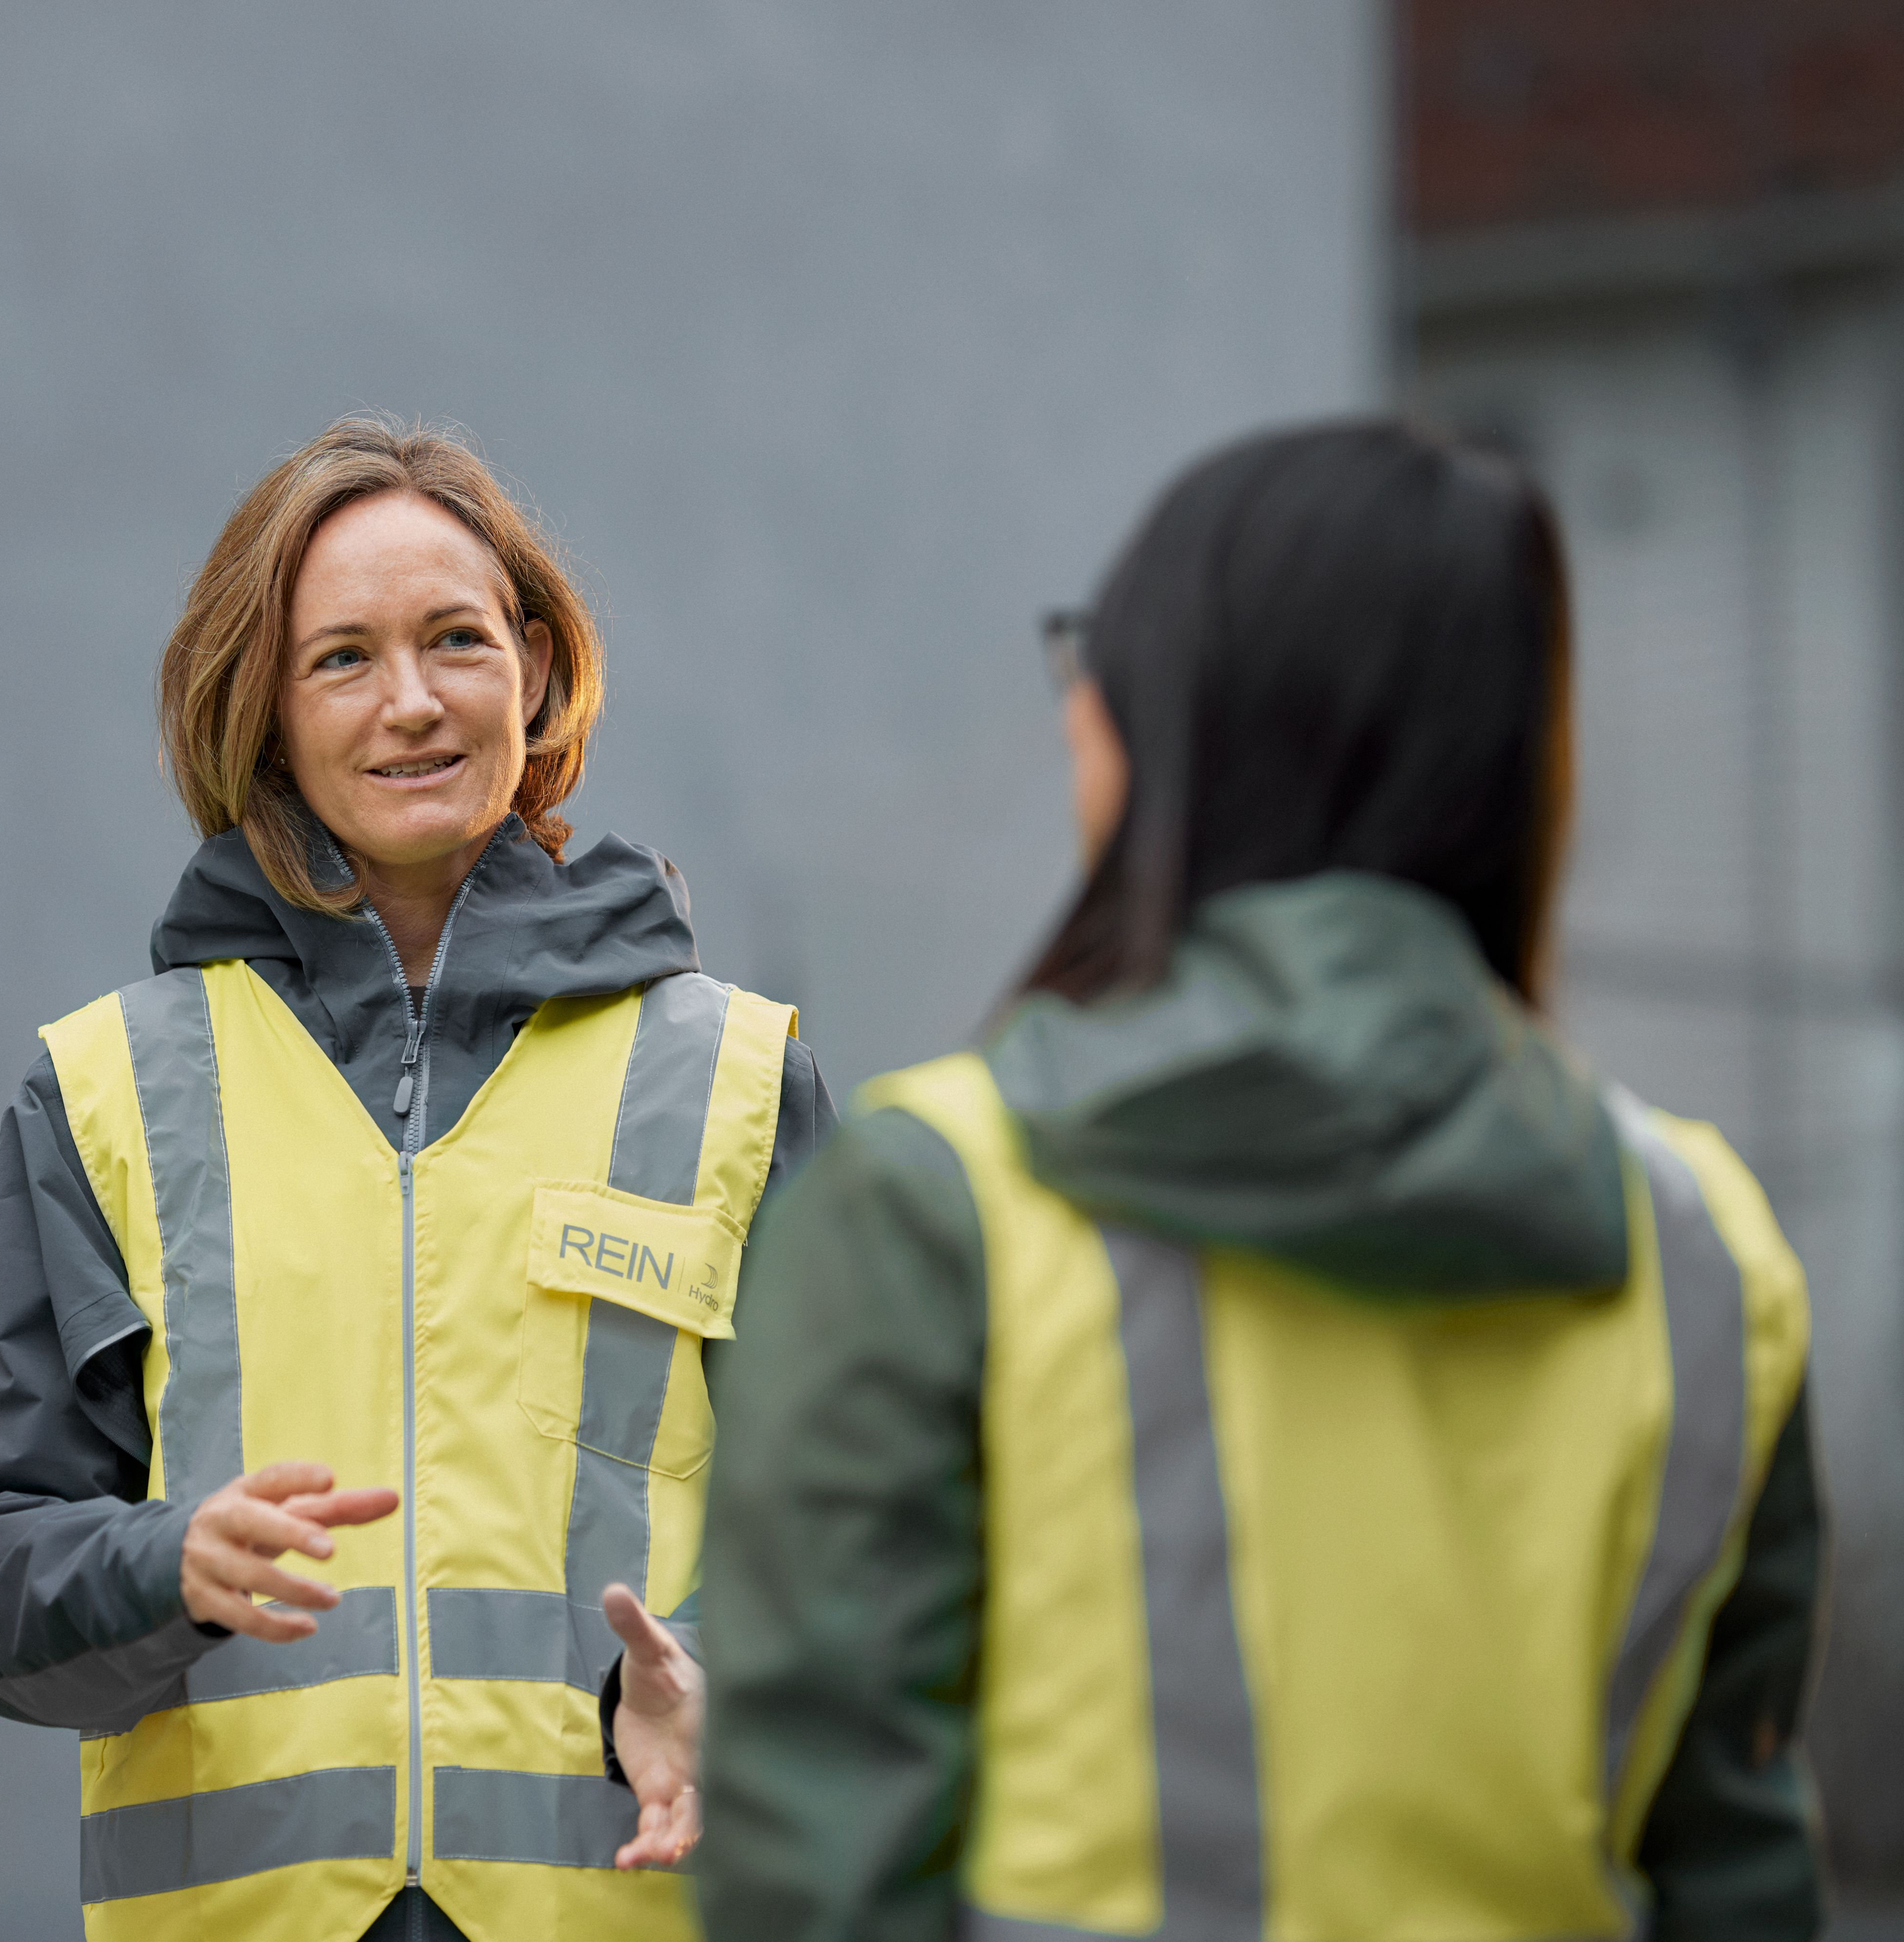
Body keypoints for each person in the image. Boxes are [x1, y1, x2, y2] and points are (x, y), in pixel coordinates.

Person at [699, 419, 1824, 1941]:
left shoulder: (937, 1205)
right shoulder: (1707, 1257)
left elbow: (817, 1888)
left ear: (1183, 729)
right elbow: (1737, 1879)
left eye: (1099, 663)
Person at [0, 415, 834, 1942]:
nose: (410, 703)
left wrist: (725, 1674)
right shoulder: (103, 1092)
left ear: (534, 670)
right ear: (264, 711)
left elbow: (890, 1531)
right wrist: (168, 1566)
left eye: (456, 641)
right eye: (342, 658)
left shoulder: (735, 1079)